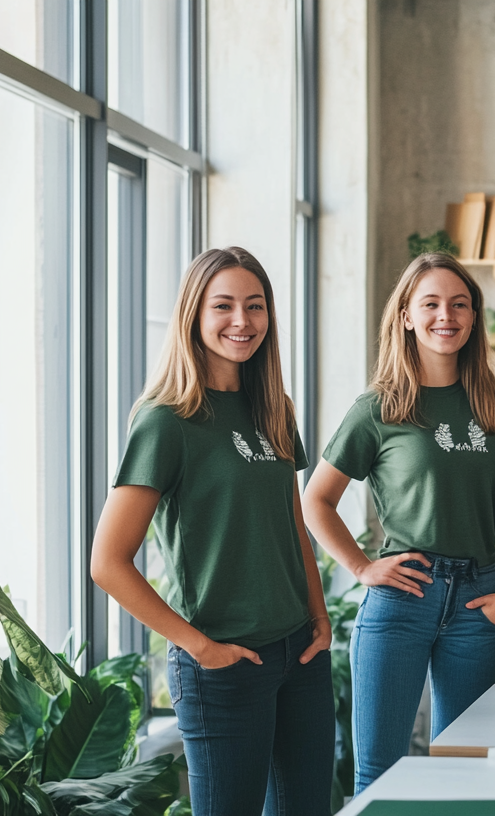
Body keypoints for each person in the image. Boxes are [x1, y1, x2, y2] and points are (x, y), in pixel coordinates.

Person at [90, 247, 333, 816]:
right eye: (223, 306)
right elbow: (108, 562)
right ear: (193, 314)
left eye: (255, 305)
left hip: (300, 652)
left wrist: (319, 617)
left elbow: (292, 525)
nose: (242, 321)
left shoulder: (274, 407)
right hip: (225, 663)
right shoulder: (166, 420)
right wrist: (200, 647)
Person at [303, 254, 495, 793]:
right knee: (378, 773)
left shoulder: (493, 403)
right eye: (430, 304)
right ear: (406, 316)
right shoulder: (379, 407)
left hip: (478, 600)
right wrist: (362, 568)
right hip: (403, 598)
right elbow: (316, 501)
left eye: (459, 304)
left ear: (474, 316)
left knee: (466, 767)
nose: (445, 316)